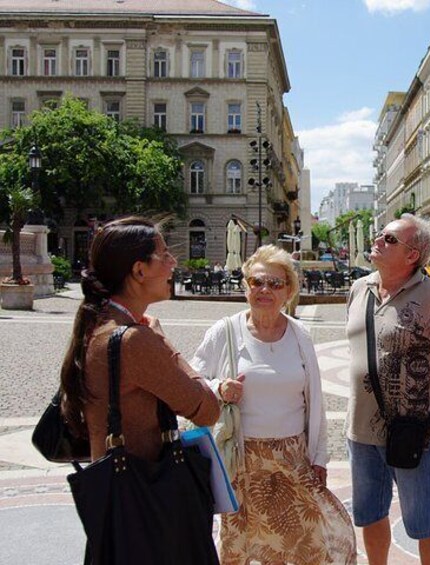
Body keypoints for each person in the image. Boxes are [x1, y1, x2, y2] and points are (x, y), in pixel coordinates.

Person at [59, 218, 221, 547]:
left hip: (117, 505)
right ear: (139, 270)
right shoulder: (135, 340)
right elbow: (207, 409)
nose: (173, 262)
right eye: (164, 255)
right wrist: (163, 342)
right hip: (149, 504)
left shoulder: (96, 324)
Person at [192, 245, 355, 565]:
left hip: (292, 458)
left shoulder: (299, 335)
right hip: (241, 459)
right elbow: (192, 384)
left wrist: (319, 457)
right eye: (257, 282)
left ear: (289, 291)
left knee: (305, 546)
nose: (264, 290)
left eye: (275, 284)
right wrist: (219, 388)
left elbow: (315, 400)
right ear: (246, 285)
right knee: (242, 546)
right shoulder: (225, 331)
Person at [345, 214, 430, 565]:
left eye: (390, 239)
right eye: (380, 235)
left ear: (413, 255)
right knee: (369, 514)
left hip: (416, 434)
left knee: (426, 523)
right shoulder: (358, 289)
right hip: (360, 431)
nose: (378, 240)